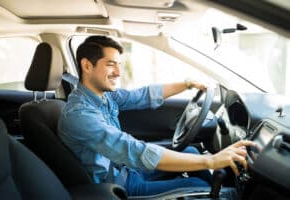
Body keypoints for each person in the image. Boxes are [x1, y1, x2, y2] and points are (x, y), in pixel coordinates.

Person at [58, 35, 255, 196]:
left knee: (193, 154)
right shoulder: (80, 115)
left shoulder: (103, 96)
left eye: (119, 64)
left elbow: (142, 96)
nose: (118, 72)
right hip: (116, 186)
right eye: (111, 64)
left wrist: (186, 84)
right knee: (198, 183)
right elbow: (133, 150)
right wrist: (211, 161)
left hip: (126, 170)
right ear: (86, 65)